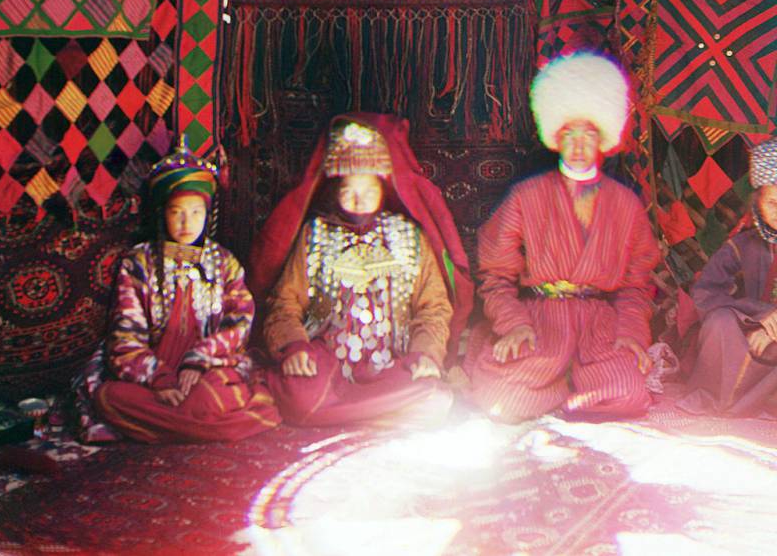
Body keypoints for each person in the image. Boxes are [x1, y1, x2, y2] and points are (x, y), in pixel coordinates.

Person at [464, 52, 660, 422]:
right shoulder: (526, 196)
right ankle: (555, 384)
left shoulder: (626, 204)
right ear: (556, 136)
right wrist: (514, 325)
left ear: (603, 138)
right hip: (540, 322)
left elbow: (638, 284)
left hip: (599, 326)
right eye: (570, 133)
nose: (580, 145)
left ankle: (569, 391)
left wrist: (631, 332)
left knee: (628, 395)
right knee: (501, 402)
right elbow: (495, 276)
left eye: (589, 134)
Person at [248, 113, 473, 427]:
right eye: (348, 191)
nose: (358, 201)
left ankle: (341, 414)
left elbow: (433, 307)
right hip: (327, 364)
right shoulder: (315, 235)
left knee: (433, 397)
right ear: (334, 190)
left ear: (384, 190)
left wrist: (425, 354)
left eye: (368, 190)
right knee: (299, 395)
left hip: (393, 361)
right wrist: (295, 347)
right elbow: (284, 303)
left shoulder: (409, 237)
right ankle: (381, 414)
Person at [73, 137, 280, 443]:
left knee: (209, 397)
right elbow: (124, 335)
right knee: (109, 396)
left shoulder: (224, 262)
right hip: (152, 377)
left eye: (196, 212)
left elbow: (240, 324)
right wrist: (160, 377)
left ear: (208, 215)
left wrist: (199, 358)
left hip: (208, 369)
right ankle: (212, 427)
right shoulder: (139, 263)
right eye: (176, 212)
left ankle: (171, 425)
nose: (187, 223)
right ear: (162, 213)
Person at [678, 137, 777, 417]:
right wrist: (760, 317)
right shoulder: (742, 244)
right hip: (747, 338)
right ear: (757, 202)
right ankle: (726, 398)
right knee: (719, 321)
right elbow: (704, 293)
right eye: (772, 202)